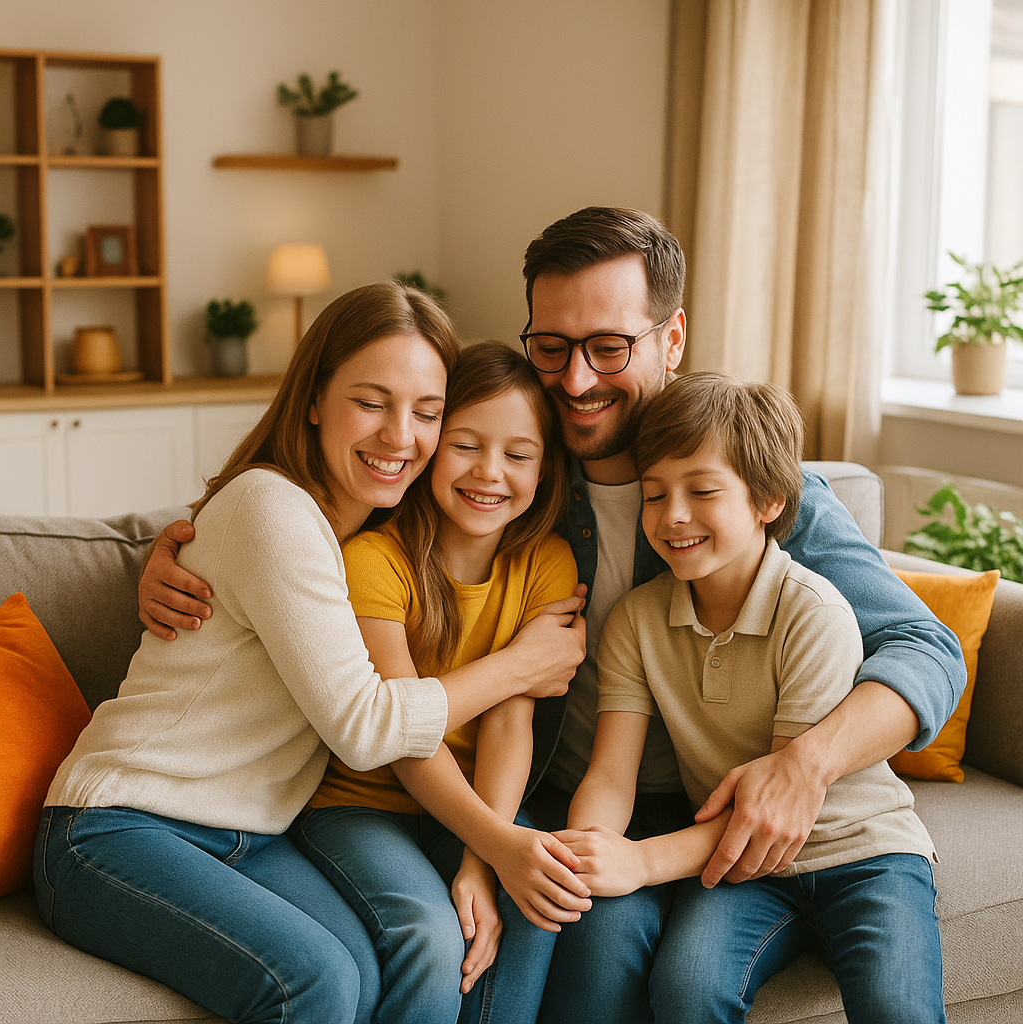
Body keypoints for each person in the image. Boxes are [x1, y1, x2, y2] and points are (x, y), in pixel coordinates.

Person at [139, 209, 966, 1020]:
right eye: (553, 348)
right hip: (567, 802)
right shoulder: (516, 476)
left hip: (704, 808)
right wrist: (180, 545)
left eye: (610, 347)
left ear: (671, 339)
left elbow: (926, 647)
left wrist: (807, 764)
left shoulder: (748, 491)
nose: (576, 380)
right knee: (584, 945)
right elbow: (333, 507)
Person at [36, 282, 586, 1024]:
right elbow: (364, 729)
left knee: (360, 968)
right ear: (315, 398)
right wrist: (520, 664)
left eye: (427, 413)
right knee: (315, 981)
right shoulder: (273, 507)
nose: (400, 436)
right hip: (118, 827)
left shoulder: (354, 535)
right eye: (371, 401)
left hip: (254, 834)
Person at [567, 371, 945, 1023]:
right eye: (653, 495)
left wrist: (639, 862)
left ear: (769, 500)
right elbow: (609, 772)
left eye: (702, 491)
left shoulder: (815, 613)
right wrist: (587, 851)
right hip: (748, 865)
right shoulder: (635, 621)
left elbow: (775, 806)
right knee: (687, 989)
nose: (672, 515)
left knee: (898, 1008)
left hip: (864, 852)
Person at [293, 342, 590, 1024]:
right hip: (360, 805)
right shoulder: (373, 561)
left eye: (518, 455)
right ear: (430, 448)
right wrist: (492, 843)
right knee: (432, 932)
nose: (490, 473)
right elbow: (403, 738)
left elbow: (512, 719)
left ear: (545, 471)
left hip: (478, 803)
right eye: (465, 446)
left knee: (539, 895)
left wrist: (485, 860)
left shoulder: (546, 560)